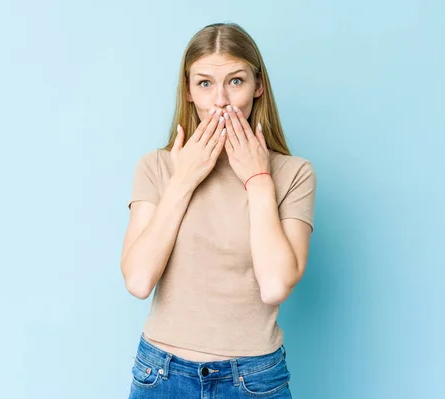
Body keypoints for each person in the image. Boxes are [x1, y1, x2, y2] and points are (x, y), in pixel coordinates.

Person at [121, 22, 317, 398]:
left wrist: (258, 179)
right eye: (205, 83)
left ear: (258, 86)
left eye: (236, 81)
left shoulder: (294, 174)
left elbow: (275, 286)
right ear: (190, 91)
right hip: (161, 375)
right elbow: (139, 281)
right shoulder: (157, 167)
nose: (221, 100)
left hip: (254, 379)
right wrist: (183, 181)